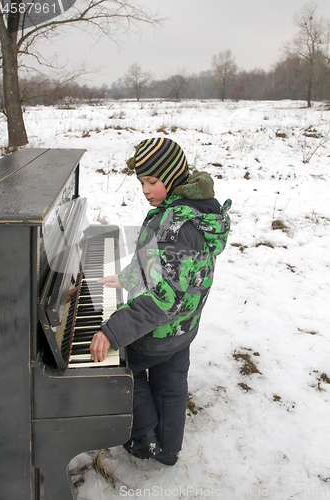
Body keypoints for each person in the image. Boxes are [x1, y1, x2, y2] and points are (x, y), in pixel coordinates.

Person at [90, 137, 231, 466]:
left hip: (157, 332)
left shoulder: (173, 227)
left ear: (171, 177)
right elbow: (167, 267)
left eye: (152, 181)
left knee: (127, 370)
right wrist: (126, 278)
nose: (145, 190)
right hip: (184, 329)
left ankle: (143, 439)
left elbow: (163, 297)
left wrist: (113, 331)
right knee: (172, 386)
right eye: (141, 182)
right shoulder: (198, 214)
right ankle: (168, 449)